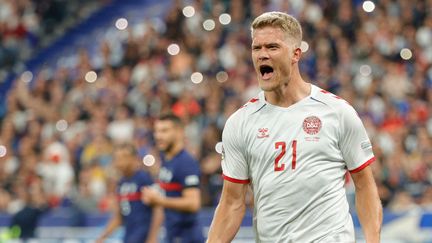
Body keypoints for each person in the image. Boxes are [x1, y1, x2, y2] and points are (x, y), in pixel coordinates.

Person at [206, 12, 382, 243]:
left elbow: (365, 185)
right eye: (256, 48)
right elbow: (232, 203)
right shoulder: (240, 123)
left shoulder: (337, 112)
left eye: (272, 47)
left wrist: (373, 240)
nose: (262, 55)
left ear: (295, 54)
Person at [141, 114, 204, 243]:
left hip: (187, 237)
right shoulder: (167, 161)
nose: (158, 136)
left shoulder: (186, 162)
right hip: (172, 235)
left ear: (179, 132)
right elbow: (163, 202)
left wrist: (158, 200)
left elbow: (193, 203)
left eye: (164, 131)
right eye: (156, 131)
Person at [97, 143, 163, 243]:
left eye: (123, 157)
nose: (119, 162)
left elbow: (158, 208)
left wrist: (153, 238)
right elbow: (119, 217)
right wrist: (102, 238)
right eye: (116, 158)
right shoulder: (121, 183)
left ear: (134, 159)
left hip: (144, 236)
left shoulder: (144, 178)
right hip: (129, 236)